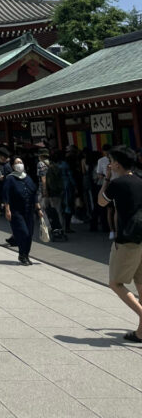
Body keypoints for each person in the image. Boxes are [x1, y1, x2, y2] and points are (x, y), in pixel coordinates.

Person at [98, 145, 142, 343]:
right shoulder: (140, 180)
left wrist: (107, 178)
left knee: (115, 282)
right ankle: (141, 333)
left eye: (111, 160)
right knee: (140, 283)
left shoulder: (118, 183)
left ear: (117, 163)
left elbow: (101, 201)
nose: (109, 163)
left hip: (127, 238)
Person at [1, 156, 42, 265]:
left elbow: (34, 193)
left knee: (29, 234)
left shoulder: (27, 177)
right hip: (16, 211)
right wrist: (7, 209)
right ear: (13, 166)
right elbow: (6, 195)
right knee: (23, 232)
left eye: (21, 162)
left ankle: (25, 255)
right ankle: (21, 253)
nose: (19, 164)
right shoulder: (10, 178)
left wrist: (38, 209)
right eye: (17, 162)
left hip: (29, 210)